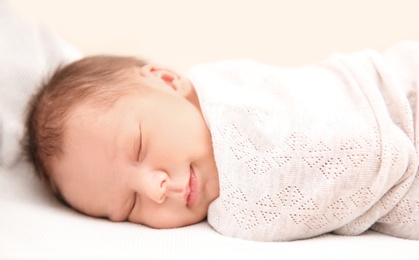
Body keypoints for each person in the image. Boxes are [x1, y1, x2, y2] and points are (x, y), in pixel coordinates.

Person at [24, 42, 419, 242]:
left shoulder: (232, 99)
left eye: (139, 146)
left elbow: (377, 153)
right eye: (129, 206)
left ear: (165, 81)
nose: (154, 188)